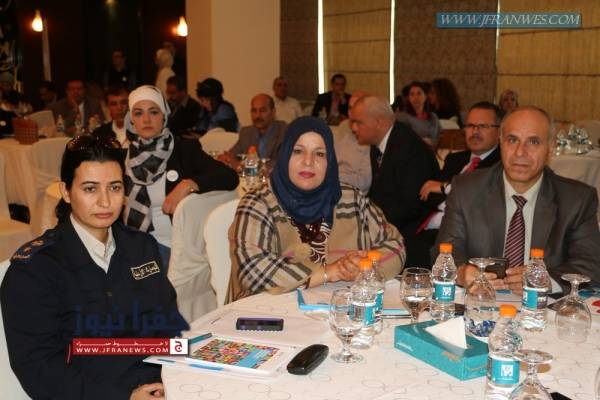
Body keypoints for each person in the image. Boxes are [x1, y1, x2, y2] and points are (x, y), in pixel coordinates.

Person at [1, 135, 188, 399]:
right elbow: (38, 369)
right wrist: (125, 396)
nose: (105, 201)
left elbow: (167, 325)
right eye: (90, 189)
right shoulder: (35, 269)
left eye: (114, 188)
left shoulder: (141, 247)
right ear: (66, 192)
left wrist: (168, 379)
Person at [229, 116, 404, 301]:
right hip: (265, 313)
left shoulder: (351, 199)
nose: (308, 161)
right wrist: (329, 272)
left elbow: (395, 244)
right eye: (298, 151)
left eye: (319, 154)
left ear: (330, 160)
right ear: (285, 154)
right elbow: (252, 271)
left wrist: (364, 266)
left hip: (338, 311)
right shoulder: (258, 203)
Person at [434, 106, 600, 293]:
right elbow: (444, 250)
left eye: (533, 142)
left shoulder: (576, 200)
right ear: (501, 143)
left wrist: (543, 281)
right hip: (479, 301)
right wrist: (461, 272)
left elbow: (591, 265)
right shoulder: (466, 189)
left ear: (550, 148)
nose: (520, 152)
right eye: (512, 140)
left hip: (542, 306)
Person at [123, 85, 239, 266]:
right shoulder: (122, 158)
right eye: (138, 113)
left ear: (164, 116)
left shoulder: (184, 150)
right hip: (131, 245)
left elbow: (229, 176)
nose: (146, 119)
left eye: (153, 112)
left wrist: (188, 184)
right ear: (131, 121)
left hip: (170, 248)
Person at [350, 95, 439, 267]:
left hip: (414, 234)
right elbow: (379, 192)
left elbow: (412, 205)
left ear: (378, 122)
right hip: (392, 223)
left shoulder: (409, 148)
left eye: (358, 122)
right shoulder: (379, 143)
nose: (353, 128)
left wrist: (371, 223)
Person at [414, 102, 502, 264]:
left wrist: (446, 188)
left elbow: (479, 201)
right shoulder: (455, 159)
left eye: (483, 126)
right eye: (470, 126)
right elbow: (429, 196)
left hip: (462, 238)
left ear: (499, 132)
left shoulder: (501, 165)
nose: (475, 132)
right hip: (427, 229)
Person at [218, 93, 287, 170]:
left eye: (262, 110)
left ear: (273, 112)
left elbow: (278, 165)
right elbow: (231, 155)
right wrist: (226, 159)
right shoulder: (246, 132)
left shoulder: (284, 132)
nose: (257, 115)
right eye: (254, 111)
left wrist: (240, 166)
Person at [333, 90, 372, 192]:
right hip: (333, 187)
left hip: (352, 192)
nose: (351, 113)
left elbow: (364, 182)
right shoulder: (345, 129)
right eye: (350, 108)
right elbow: (332, 162)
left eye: (357, 108)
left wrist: (332, 177)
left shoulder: (371, 139)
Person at [395, 81, 441, 146]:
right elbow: (402, 139)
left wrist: (432, 142)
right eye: (412, 94)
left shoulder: (433, 117)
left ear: (425, 97)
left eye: (419, 93)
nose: (415, 97)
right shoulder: (403, 117)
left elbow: (438, 138)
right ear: (409, 98)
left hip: (432, 149)